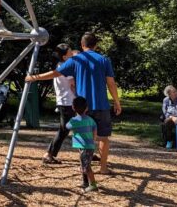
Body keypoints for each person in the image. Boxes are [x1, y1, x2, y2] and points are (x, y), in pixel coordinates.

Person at [26, 32, 121, 174]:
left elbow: (55, 73)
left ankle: (85, 166)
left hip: (82, 106)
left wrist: (34, 77)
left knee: (83, 136)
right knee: (103, 137)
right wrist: (117, 102)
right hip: (101, 104)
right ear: (96, 45)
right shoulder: (104, 60)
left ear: (82, 45)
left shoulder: (76, 60)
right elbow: (111, 83)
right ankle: (103, 168)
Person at [42, 44, 77, 164]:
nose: (72, 53)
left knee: (71, 128)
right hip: (68, 101)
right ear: (64, 56)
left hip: (64, 101)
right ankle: (49, 154)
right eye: (70, 52)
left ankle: (87, 152)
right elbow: (73, 85)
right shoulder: (67, 68)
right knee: (64, 129)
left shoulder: (60, 65)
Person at [66, 96, 99, 193]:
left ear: (73, 107)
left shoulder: (74, 120)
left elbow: (67, 126)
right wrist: (93, 139)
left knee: (86, 167)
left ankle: (93, 185)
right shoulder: (90, 120)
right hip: (89, 145)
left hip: (83, 147)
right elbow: (95, 129)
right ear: (87, 108)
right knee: (84, 164)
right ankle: (86, 182)